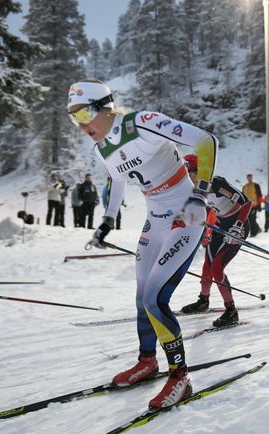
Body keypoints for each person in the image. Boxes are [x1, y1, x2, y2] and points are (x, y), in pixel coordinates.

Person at [67, 79, 218, 409]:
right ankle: (147, 361)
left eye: (81, 116)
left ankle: (181, 378)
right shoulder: (103, 148)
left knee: (155, 299)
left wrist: (200, 195)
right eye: (72, 119)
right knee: (141, 297)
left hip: (186, 214)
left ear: (101, 108)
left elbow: (205, 141)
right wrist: (107, 221)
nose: (80, 127)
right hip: (156, 220)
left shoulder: (142, 123)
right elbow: (117, 183)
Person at [180, 154, 252, 327]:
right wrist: (208, 231)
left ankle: (231, 311)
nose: (187, 177)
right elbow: (210, 210)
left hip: (238, 225)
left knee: (217, 268)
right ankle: (203, 301)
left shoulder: (217, 183)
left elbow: (247, 203)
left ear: (199, 171)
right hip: (220, 226)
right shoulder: (196, 189)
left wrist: (237, 226)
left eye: (189, 173)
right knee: (207, 266)